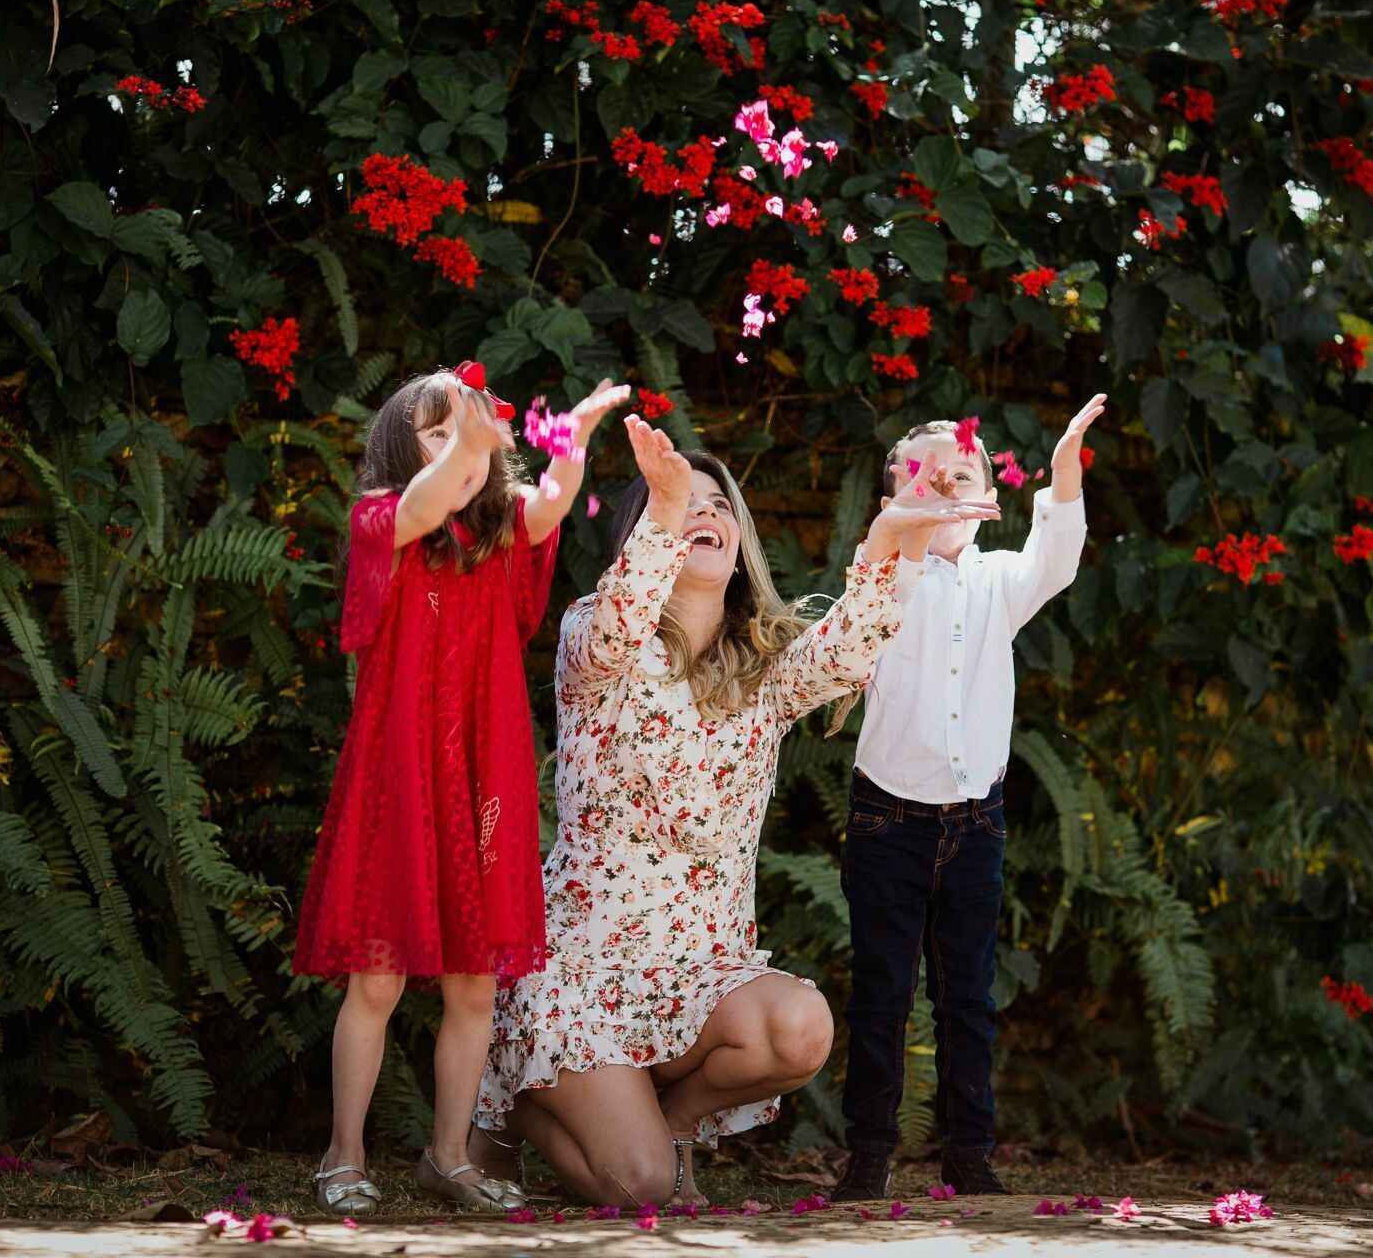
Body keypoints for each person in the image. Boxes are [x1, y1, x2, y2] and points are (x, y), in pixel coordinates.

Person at [469, 415, 1000, 1208]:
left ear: (741, 537)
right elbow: (619, 621)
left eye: (720, 505)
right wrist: (666, 506)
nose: (705, 513)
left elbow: (851, 645)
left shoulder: (766, 671)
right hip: (582, 979)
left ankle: (667, 1123)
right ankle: (509, 1111)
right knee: (642, 1187)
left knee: (801, 1027)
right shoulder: (595, 642)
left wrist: (899, 540)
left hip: (699, 979)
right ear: (639, 540)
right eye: (684, 503)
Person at [292, 363, 629, 1213]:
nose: (457, 449)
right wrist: (470, 446)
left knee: (475, 980)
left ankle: (449, 1156)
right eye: (435, 435)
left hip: (487, 772)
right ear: (400, 453)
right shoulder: (384, 521)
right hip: (399, 775)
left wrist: (576, 443)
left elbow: (551, 503)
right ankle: (342, 1155)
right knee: (377, 978)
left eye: (467, 432)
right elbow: (421, 506)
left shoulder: (502, 532)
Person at [829, 397, 1105, 1201]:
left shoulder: (998, 581)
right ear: (892, 504)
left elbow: (1057, 557)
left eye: (965, 474)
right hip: (887, 820)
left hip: (975, 823)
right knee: (882, 994)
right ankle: (869, 1153)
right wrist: (905, 527)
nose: (948, 486)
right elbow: (873, 585)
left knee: (968, 999)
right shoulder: (882, 574)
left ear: (988, 497)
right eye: (926, 476)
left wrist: (1060, 469)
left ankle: (969, 1152)